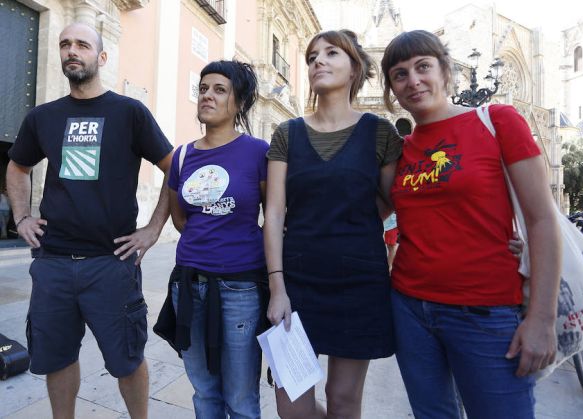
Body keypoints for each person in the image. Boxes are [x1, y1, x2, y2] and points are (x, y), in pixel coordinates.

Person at [380, 30, 561, 418]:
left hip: (487, 312)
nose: (413, 80)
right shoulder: (400, 150)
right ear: (391, 88)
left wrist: (543, 319)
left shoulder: (497, 120)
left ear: (446, 72)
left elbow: (543, 218)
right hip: (410, 310)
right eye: (399, 74)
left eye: (423, 66)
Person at [6, 23, 172, 419]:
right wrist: (23, 217)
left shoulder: (129, 112)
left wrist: (152, 230)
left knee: (127, 360)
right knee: (58, 358)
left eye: (82, 44)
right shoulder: (42, 117)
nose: (71, 51)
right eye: (64, 44)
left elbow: (174, 168)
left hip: (111, 263)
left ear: (102, 57)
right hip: (53, 263)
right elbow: (17, 167)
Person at [264, 29, 403, 418]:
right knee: (291, 405)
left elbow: (393, 201)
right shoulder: (287, 133)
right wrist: (277, 288)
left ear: (354, 67)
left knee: (343, 400)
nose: (318, 61)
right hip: (296, 281)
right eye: (311, 57)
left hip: (359, 282)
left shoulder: (380, 133)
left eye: (330, 53)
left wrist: (348, 221)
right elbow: (274, 213)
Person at [159, 60, 269, 419]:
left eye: (219, 89)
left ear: (239, 103)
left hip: (241, 288)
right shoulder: (183, 155)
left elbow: (275, 215)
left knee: (239, 396)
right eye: (203, 88)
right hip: (190, 286)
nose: (207, 95)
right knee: (204, 392)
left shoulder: (258, 152)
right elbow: (180, 219)